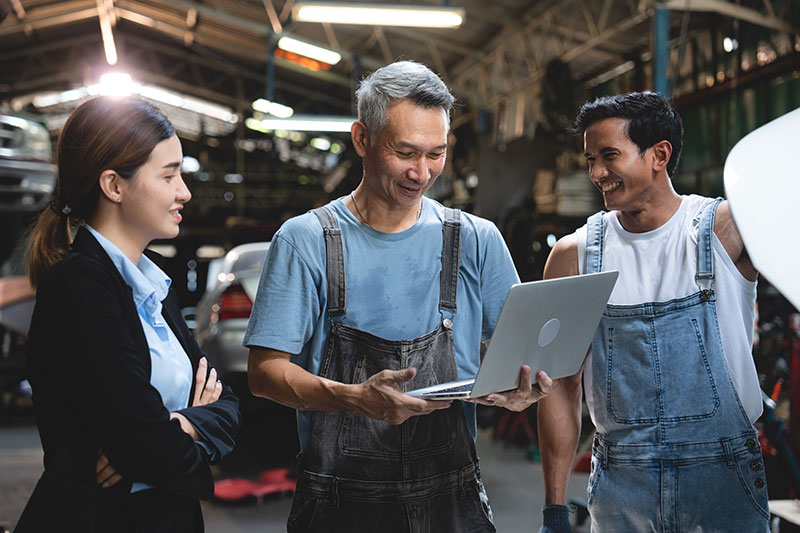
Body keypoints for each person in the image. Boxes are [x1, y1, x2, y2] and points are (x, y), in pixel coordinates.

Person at [245, 60, 552, 532]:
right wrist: (354, 398)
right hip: (338, 502)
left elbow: (515, 353)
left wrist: (517, 390)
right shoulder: (305, 241)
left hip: (451, 499)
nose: (421, 173)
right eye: (405, 152)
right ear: (362, 139)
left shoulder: (475, 239)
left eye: (436, 154)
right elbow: (264, 373)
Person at [537, 92, 768, 532]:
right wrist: (554, 510)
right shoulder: (575, 256)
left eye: (609, 156)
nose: (596, 174)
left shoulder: (726, 231)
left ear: (659, 155)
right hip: (623, 486)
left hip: (722, 480)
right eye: (591, 160)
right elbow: (560, 387)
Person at [17, 96, 240, 533]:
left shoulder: (153, 286)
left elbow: (229, 407)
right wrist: (182, 436)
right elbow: (149, 446)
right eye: (169, 175)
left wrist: (177, 425)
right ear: (114, 186)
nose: (184, 192)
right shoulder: (79, 287)